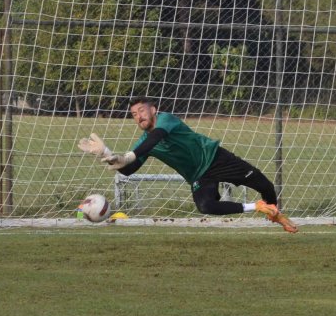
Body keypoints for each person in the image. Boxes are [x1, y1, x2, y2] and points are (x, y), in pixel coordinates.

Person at [78, 96, 297, 233]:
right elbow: (129, 170)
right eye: (134, 114)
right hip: (200, 176)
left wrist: (128, 156)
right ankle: (256, 207)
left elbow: (157, 137)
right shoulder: (144, 142)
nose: (138, 117)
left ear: (153, 109)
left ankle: (277, 215)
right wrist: (106, 153)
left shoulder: (165, 120)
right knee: (205, 206)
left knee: (265, 185)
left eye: (142, 111)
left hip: (215, 158)